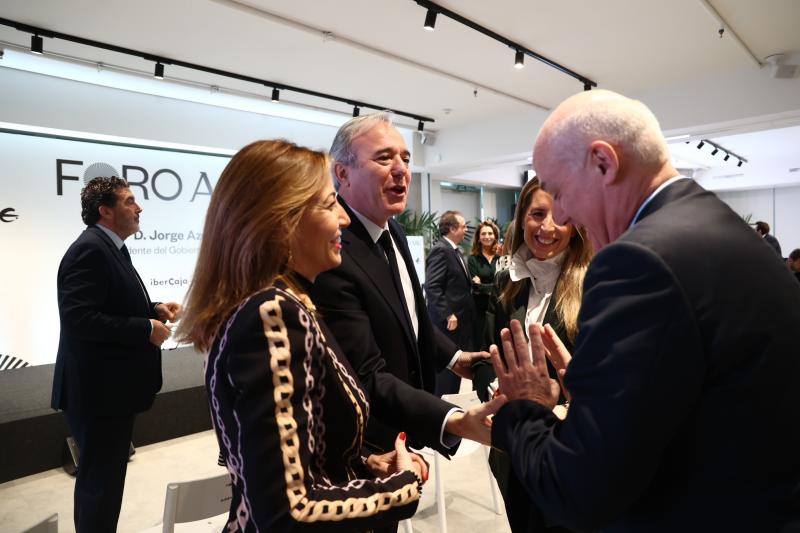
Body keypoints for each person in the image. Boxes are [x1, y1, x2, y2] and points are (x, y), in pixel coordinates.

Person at [489, 89, 800, 532]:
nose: (562, 215)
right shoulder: (720, 227)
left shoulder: (637, 262)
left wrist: (524, 407)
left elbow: (580, 493)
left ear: (604, 163)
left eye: (559, 192)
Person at [175, 140, 429, 532]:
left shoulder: (279, 304)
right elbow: (291, 510)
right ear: (283, 222)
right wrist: (403, 485)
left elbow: (296, 457)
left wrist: (363, 465)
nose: (343, 218)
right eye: (330, 204)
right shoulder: (272, 313)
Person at [311, 113, 498, 469]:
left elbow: (409, 314)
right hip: (363, 446)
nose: (401, 170)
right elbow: (362, 371)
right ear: (342, 173)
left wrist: (453, 358)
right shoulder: (329, 252)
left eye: (406, 159)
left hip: (400, 428)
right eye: (384, 158)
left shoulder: (392, 231)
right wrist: (452, 419)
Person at [51, 176, 181, 533]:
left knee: (106, 487)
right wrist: (145, 330)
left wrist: (154, 310)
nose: (138, 208)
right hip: (98, 394)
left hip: (110, 392)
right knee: (100, 489)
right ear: (104, 211)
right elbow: (80, 319)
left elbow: (110, 305)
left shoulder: (110, 247)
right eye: (129, 201)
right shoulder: (90, 249)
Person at [473, 178, 591, 533]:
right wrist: (494, 394)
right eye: (538, 213)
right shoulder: (506, 285)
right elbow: (484, 358)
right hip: (513, 446)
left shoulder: (594, 286)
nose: (548, 227)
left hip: (570, 448)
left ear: (575, 226)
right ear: (522, 218)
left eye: (560, 217)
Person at [425, 210, 477, 395]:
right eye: (463, 227)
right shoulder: (441, 249)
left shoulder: (453, 250)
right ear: (452, 228)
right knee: (447, 372)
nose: (465, 230)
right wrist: (448, 313)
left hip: (461, 323)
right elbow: (432, 286)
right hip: (448, 324)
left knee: (455, 371)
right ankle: (442, 412)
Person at [467, 219, 501, 350]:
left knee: (499, 342)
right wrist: (495, 286)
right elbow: (475, 287)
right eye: (483, 234)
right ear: (478, 238)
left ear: (495, 236)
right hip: (480, 308)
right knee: (481, 343)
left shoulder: (501, 257)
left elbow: (505, 284)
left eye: (490, 233)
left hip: (499, 306)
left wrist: (483, 285)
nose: (487, 236)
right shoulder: (473, 259)